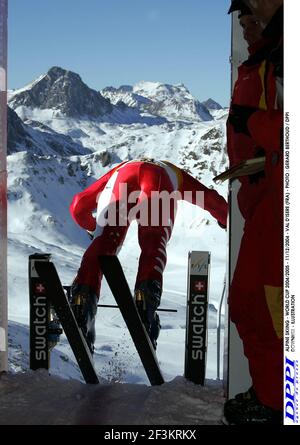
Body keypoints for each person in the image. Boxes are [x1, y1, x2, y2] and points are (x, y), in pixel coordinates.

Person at [69, 158, 228, 354]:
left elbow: (78, 205)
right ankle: (146, 302)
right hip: (159, 179)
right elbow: (210, 199)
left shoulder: (119, 168)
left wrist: (92, 227)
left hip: (122, 179)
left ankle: (82, 301)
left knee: (104, 242)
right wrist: (227, 218)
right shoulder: (174, 172)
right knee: (153, 238)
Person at [225, 0, 283, 424]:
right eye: (243, 20)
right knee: (255, 304)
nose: (248, 24)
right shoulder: (264, 59)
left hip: (278, 198)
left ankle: (282, 405)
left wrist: (254, 125)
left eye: (251, 17)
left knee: (274, 310)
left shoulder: (280, 54)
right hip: (263, 197)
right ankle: (271, 397)